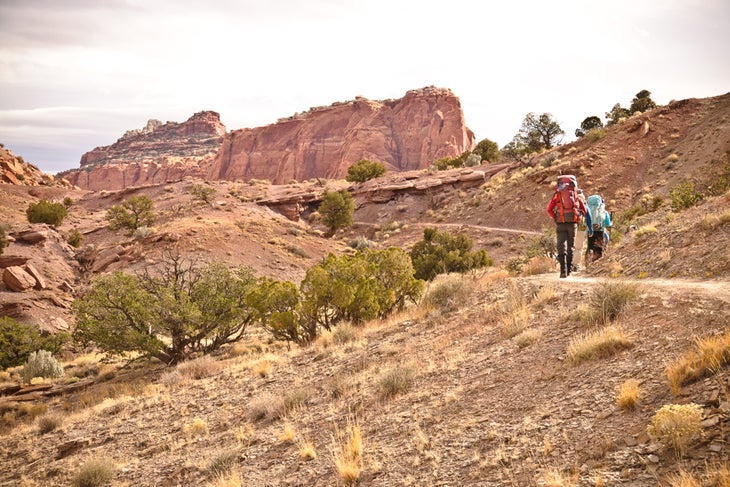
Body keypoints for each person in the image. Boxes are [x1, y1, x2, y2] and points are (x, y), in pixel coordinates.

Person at [546, 177, 592, 278]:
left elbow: (549, 209)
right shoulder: (576, 196)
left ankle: (563, 271)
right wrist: (578, 217)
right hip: (573, 223)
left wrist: (556, 217)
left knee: (561, 246)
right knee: (571, 246)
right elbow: (585, 211)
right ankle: (569, 270)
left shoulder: (557, 195)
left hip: (560, 223)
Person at [585, 194, 612, 264]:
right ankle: (597, 263)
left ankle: (588, 261)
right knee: (599, 246)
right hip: (600, 230)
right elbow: (607, 223)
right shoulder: (602, 210)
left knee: (590, 245)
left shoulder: (587, 209)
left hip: (589, 230)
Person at [573, 189, 588, 272]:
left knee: (570, 246)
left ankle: (567, 264)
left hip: (571, 225)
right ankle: (575, 265)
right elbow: (587, 216)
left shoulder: (572, 201)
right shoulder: (584, 203)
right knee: (579, 248)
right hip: (581, 226)